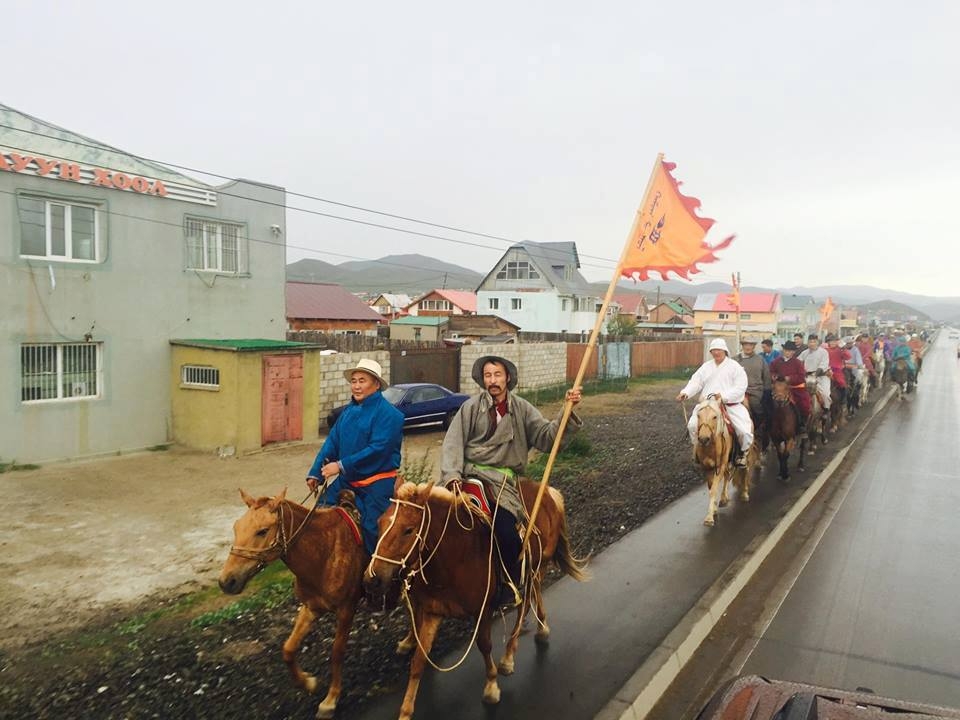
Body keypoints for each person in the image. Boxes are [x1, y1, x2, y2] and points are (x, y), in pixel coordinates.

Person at [440, 355, 583, 609]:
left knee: (505, 528)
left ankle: (508, 583)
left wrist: (566, 411)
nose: (492, 381)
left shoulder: (523, 409)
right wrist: (451, 476)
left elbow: (546, 438)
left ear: (507, 378)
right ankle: (436, 586)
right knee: (436, 523)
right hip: (469, 477)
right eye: (487, 376)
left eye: (497, 375)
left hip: (502, 483)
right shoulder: (470, 408)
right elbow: (453, 443)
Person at [305, 358, 404, 556]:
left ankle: (374, 579)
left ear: (376, 384)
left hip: (376, 484)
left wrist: (340, 466)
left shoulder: (390, 415)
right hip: (347, 481)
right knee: (318, 517)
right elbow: (332, 442)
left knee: (371, 529)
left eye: (362, 381)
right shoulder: (348, 412)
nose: (356, 386)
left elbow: (378, 449)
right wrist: (316, 473)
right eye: (354, 381)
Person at [677, 338, 753, 468]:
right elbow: (696, 382)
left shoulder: (735, 367)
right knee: (692, 426)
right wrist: (686, 392)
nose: (716, 353)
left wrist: (724, 396)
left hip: (729, 405)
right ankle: (699, 452)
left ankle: (742, 454)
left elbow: (741, 386)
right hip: (708, 405)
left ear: (725, 351)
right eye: (713, 350)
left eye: (719, 350)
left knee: (744, 431)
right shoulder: (706, 367)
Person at [735, 336, 771, 448]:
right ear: (742, 346)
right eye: (746, 344)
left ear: (754, 346)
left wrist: (766, 393)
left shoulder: (760, 360)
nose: (748, 347)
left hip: (755, 391)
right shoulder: (734, 360)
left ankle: (758, 431)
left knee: (757, 407)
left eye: (750, 345)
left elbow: (766, 377)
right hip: (737, 391)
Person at [769, 341, 811, 436]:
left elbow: (801, 376)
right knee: (768, 403)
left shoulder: (798, 363)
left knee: (805, 405)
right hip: (780, 388)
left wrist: (790, 378)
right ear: (783, 350)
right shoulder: (776, 362)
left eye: (790, 351)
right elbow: (771, 371)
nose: (788, 352)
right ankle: (768, 426)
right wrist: (774, 376)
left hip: (795, 388)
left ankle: (802, 425)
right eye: (786, 350)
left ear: (793, 352)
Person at [798, 334, 831, 410]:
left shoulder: (824, 352)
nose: (812, 343)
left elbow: (823, 365)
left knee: (825, 394)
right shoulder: (804, 352)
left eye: (814, 341)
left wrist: (815, 374)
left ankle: (826, 410)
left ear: (817, 342)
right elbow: (797, 362)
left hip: (821, 376)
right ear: (807, 343)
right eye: (810, 342)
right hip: (807, 377)